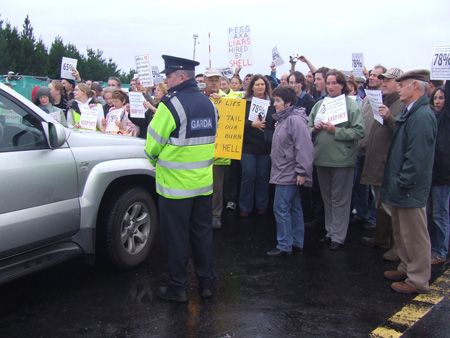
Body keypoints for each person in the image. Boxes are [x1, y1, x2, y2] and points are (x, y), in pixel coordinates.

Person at [145, 55, 217, 302]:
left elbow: (152, 145)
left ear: (181, 77)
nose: (166, 80)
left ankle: (179, 288)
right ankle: (206, 284)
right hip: (203, 185)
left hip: (175, 187)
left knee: (176, 239)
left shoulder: (170, 105)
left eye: (169, 75)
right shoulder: (209, 104)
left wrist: (156, 161)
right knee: (202, 235)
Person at [381, 70, 437, 294]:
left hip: (409, 187)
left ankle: (418, 280)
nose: (398, 88)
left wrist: (404, 180)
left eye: (402, 84)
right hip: (401, 185)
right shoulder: (412, 112)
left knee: (415, 235)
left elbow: (418, 157)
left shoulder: (422, 116)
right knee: (403, 232)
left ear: (415, 86)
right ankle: (406, 267)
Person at [308, 70, 364, 250]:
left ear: (342, 85)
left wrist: (336, 131)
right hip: (321, 158)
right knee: (328, 198)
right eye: (329, 83)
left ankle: (338, 237)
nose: (331, 86)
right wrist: (314, 129)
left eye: (335, 83)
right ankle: (330, 231)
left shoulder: (351, 105)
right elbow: (307, 128)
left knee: (340, 199)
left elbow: (359, 131)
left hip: (342, 160)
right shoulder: (319, 105)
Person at [360, 68, 405, 258]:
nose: (383, 83)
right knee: (379, 202)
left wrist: (389, 118)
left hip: (387, 162)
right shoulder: (383, 100)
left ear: (399, 84)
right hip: (376, 159)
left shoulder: (401, 105)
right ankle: (382, 237)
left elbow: (402, 133)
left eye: (388, 81)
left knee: (389, 206)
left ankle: (396, 247)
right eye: (382, 80)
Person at [267, 86, 313, 256]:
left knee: (280, 207)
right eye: (275, 100)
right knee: (293, 207)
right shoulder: (284, 119)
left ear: (288, 103)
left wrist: (302, 172)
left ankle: (284, 245)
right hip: (284, 170)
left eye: (278, 101)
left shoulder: (294, 120)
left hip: (288, 172)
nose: (275, 103)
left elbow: (304, 147)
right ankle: (295, 242)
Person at [239, 74, 275, 217]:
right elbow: (236, 123)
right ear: (252, 87)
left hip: (265, 146)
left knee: (262, 176)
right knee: (248, 174)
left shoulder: (273, 103)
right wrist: (251, 124)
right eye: (257, 84)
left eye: (262, 84)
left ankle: (262, 205)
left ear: (266, 86)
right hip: (247, 146)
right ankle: (245, 206)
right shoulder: (244, 102)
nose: (260, 87)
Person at [429, 82, 449, 265]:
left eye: (442, 97)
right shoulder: (432, 116)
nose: (438, 101)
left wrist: (446, 78)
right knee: (431, 213)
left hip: (443, 174)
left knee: (440, 214)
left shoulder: (447, 118)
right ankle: (433, 248)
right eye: (435, 97)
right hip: (431, 172)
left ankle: (441, 251)